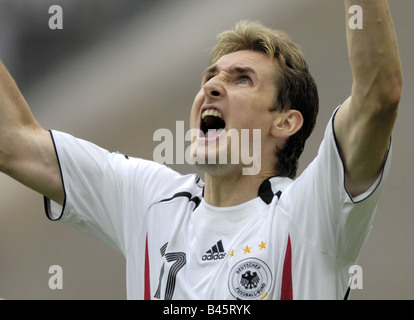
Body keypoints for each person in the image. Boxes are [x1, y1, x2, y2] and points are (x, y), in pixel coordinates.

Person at [0, 0, 402, 300]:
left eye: (242, 80)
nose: (211, 87)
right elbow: (14, 141)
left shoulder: (311, 212)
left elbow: (378, 97)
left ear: (285, 121)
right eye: (210, 77)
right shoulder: (150, 199)